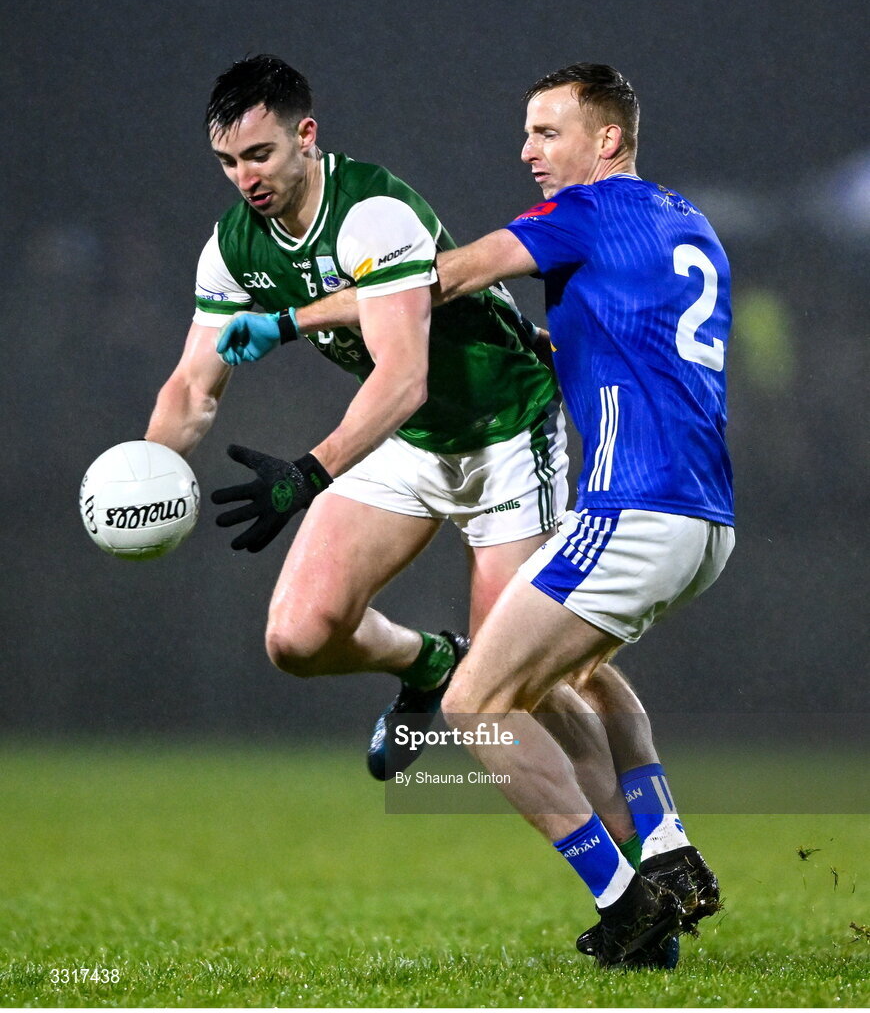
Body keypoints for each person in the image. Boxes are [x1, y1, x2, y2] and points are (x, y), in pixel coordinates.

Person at [144, 55, 643, 860]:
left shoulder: (370, 213)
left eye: (260, 154)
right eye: (229, 162)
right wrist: (145, 473)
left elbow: (403, 378)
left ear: (307, 137)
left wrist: (308, 473)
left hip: (503, 435)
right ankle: (431, 663)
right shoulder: (233, 247)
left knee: (523, 687)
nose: (245, 177)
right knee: (299, 637)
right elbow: (192, 387)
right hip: (405, 444)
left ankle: (643, 861)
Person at [401, 62, 735, 968]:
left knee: (473, 701)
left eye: (548, 132)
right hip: (707, 522)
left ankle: (626, 900)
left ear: (608, 141)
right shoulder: (687, 223)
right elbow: (635, 341)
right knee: (579, 675)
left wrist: (300, 311)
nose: (528, 151)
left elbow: (448, 277)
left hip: (636, 506)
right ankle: (665, 847)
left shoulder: (589, 212)